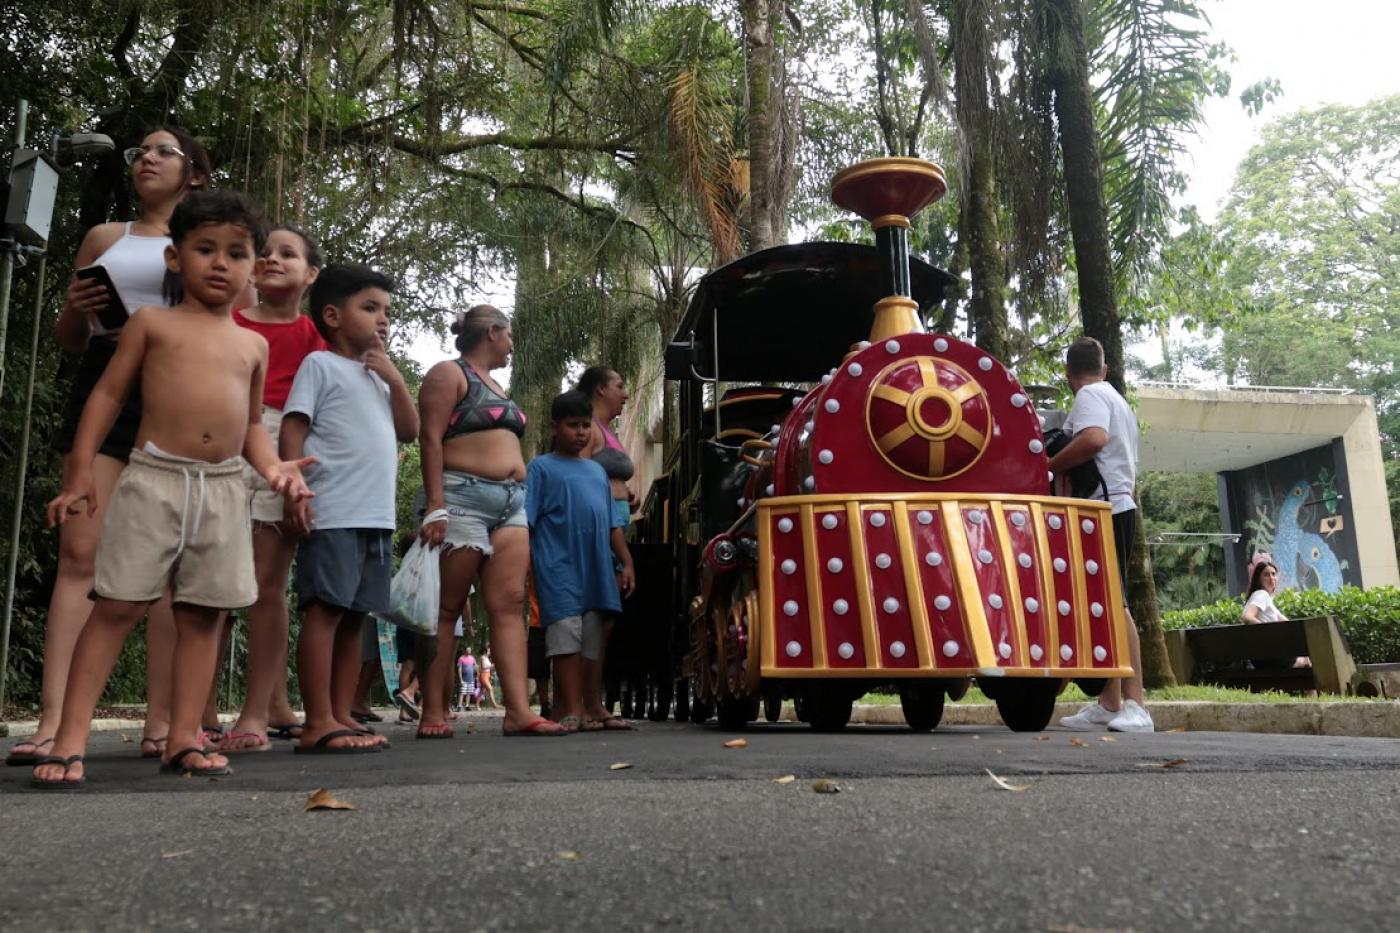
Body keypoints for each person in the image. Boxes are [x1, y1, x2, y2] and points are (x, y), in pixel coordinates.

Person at [32, 191, 314, 788]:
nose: (220, 263)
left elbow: (248, 429)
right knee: (116, 606)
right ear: (174, 258)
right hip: (154, 478)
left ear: (251, 266)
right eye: (204, 249)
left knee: (204, 616)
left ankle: (184, 737)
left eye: (236, 253)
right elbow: (106, 396)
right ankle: (69, 739)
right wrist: (82, 471)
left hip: (223, 490)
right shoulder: (150, 324)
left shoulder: (253, 344)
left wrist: (276, 469)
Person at [6, 128, 212, 768]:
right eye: (139, 153)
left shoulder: (210, 242)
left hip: (183, 385)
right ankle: (54, 722)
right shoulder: (105, 238)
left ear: (195, 175)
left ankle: (164, 723)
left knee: (175, 565)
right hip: (107, 381)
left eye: (162, 151)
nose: (145, 159)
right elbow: (73, 338)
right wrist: (73, 307)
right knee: (79, 552)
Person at [284, 263, 419, 753]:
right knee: (325, 610)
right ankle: (317, 718)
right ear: (333, 315)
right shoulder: (319, 366)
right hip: (334, 510)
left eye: (387, 311)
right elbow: (294, 427)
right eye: (370, 308)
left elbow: (410, 430)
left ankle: (341, 713)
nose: (382, 319)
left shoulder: (379, 375)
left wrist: (396, 378)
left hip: (375, 516)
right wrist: (293, 484)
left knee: (355, 616)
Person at [415, 304, 564, 737]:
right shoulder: (449, 373)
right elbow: (429, 437)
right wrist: (436, 505)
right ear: (493, 332)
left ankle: (518, 712)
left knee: (510, 604)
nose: (512, 344)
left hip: (511, 503)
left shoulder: (496, 384)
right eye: (509, 335)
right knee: (446, 609)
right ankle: (433, 713)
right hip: (460, 497)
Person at [219, 224, 326, 753]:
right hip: (222, 443)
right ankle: (194, 712)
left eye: (289, 254)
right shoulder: (229, 321)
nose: (273, 259)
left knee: (266, 584)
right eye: (266, 252)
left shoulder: (314, 337)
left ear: (311, 275)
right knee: (208, 584)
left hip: (284, 447)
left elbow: (322, 409)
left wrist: (297, 477)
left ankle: (256, 711)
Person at [1048, 337, 1154, 733]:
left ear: (1067, 373)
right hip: (1117, 504)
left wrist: (1052, 464)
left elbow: (1093, 439)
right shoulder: (1115, 398)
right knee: (1107, 604)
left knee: (1116, 603)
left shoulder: (1090, 395)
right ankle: (1110, 703)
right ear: (1104, 367)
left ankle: (1136, 703)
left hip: (1105, 509)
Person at [527, 390, 635, 732]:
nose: (581, 433)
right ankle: (569, 709)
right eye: (573, 425)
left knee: (593, 638)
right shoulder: (540, 469)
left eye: (586, 425)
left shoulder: (595, 472)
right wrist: (524, 570)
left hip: (597, 569)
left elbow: (612, 524)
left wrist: (626, 562)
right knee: (565, 638)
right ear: (554, 427)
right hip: (557, 568)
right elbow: (526, 523)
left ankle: (594, 706)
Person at [576, 365, 636, 730]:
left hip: (614, 527)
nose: (624, 393)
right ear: (600, 390)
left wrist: (626, 494)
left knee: (607, 619)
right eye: (619, 385)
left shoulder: (607, 431)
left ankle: (592, 702)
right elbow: (580, 479)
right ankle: (585, 703)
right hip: (598, 532)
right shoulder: (587, 429)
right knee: (595, 618)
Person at [1241, 556, 1311, 668]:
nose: (1271, 577)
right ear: (1258, 579)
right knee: (1307, 660)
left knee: (1305, 657)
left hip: (1262, 657)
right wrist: (1269, 632)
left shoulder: (1266, 599)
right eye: (1266, 575)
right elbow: (1247, 616)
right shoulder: (1261, 595)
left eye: (1273, 574)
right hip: (1271, 656)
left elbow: (1287, 624)